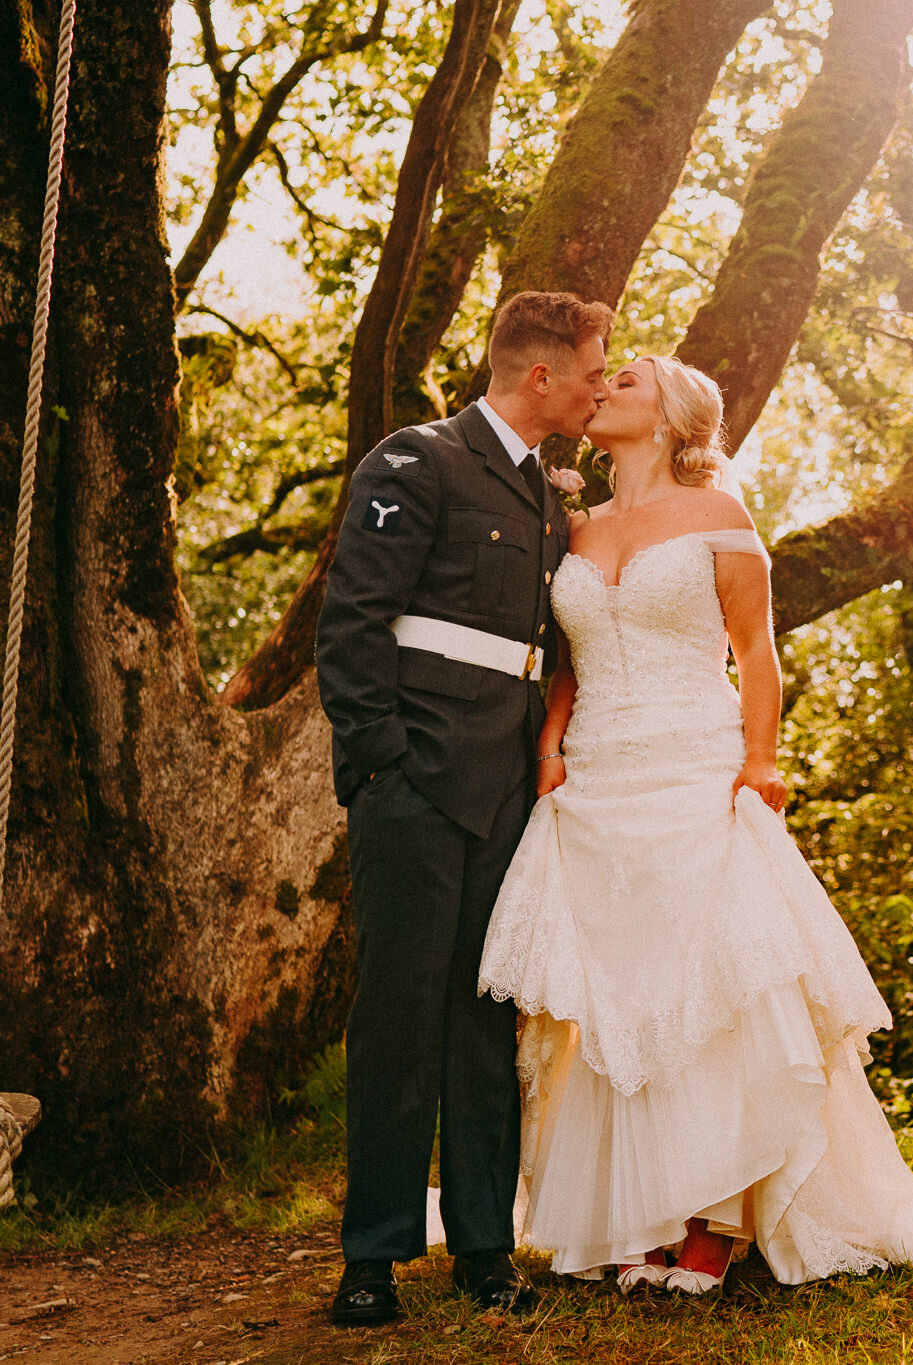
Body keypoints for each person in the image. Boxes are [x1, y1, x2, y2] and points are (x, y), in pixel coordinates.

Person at [477, 355, 913, 1292]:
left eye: (626, 381)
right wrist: (551, 745)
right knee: (621, 997)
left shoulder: (719, 518)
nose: (605, 391)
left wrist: (762, 760)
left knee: (717, 991)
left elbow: (755, 651)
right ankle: (642, 1212)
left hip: (697, 767)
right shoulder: (574, 528)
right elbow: (568, 661)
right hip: (597, 776)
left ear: (674, 419)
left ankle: (716, 1226)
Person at [313, 290, 613, 1324]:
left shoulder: (541, 492)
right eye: (589, 369)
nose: (596, 386)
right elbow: (352, 622)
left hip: (505, 794)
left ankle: (485, 1250)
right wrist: (377, 769)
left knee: (484, 1022)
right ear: (539, 375)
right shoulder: (417, 460)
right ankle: (371, 1259)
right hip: (414, 783)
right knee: (397, 1017)